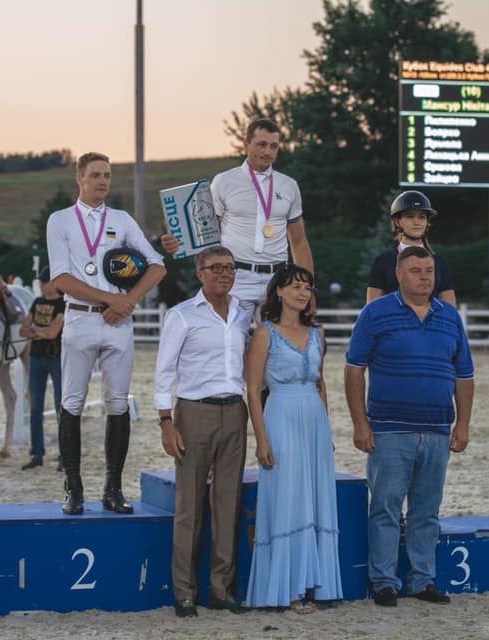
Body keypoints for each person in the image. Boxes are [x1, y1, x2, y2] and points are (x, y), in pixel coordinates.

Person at [344, 246, 474, 607]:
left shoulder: (450, 317)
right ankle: (384, 582)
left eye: (429, 270)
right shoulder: (375, 313)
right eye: (416, 271)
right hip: (388, 430)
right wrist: (360, 423)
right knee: (385, 507)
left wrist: (462, 424)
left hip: (436, 429)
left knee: (426, 511)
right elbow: (354, 369)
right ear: (399, 275)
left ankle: (422, 581)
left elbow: (465, 374)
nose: (425, 277)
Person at [47, 151, 167, 516]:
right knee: (72, 401)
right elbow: (62, 279)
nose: (103, 181)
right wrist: (109, 299)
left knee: (118, 403)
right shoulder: (61, 220)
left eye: (108, 175)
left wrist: (127, 300)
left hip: (118, 323)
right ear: (79, 178)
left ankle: (113, 488)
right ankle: (73, 487)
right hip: (81, 318)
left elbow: (157, 266)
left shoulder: (121, 219)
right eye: (95, 174)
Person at [153, 246, 252, 618]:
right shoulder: (181, 317)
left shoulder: (243, 314)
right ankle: (184, 592)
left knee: (228, 504)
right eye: (217, 268)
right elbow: (164, 372)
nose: (225, 274)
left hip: (234, 411)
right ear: (201, 273)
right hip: (193, 412)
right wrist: (166, 422)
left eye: (230, 267)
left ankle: (220, 590)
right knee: (189, 507)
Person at [245, 264, 342, 613]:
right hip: (281, 415)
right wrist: (261, 439)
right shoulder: (264, 334)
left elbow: (320, 382)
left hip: (314, 418)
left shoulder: (319, 332)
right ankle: (287, 589)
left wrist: (327, 429)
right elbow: (254, 391)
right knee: (288, 498)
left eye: (307, 287)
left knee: (315, 498)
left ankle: (315, 584)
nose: (303, 292)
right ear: (279, 292)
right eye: (296, 286)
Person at [161, 118, 314, 315]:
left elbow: (299, 241)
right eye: (261, 144)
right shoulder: (224, 181)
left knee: (274, 343)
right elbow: (204, 232)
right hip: (236, 277)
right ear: (246, 145)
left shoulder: (289, 185)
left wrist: (309, 289)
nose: (268, 152)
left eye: (274, 146)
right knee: (232, 341)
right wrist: (178, 237)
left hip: (278, 278)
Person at [366, 190, 456, 306]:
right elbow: (371, 309)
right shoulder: (383, 261)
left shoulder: (439, 262)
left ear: (427, 222)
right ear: (398, 222)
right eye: (410, 216)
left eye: (421, 217)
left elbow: (450, 309)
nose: (416, 222)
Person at [19, 266, 65, 471]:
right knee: (35, 408)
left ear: (54, 283)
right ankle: (37, 453)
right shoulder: (37, 302)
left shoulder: (64, 303)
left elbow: (53, 333)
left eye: (44, 281)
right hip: (37, 357)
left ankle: (65, 455)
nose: (41, 284)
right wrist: (41, 332)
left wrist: (34, 331)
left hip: (56, 357)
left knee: (61, 408)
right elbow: (22, 330)